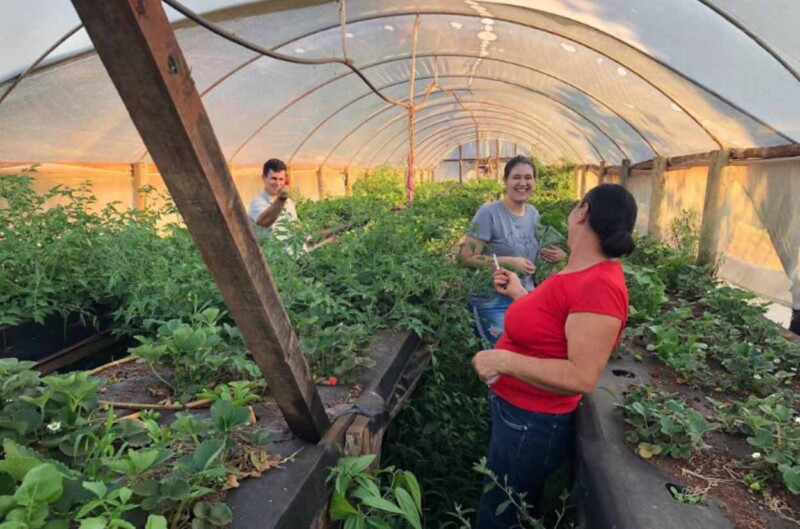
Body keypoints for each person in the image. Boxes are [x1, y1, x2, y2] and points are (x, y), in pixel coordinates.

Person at [471, 184, 638, 529]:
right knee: (507, 505)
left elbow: (581, 376)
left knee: (500, 517)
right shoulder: (581, 270)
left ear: (583, 212)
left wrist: (502, 361)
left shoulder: (600, 287)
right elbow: (553, 324)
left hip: (532, 421)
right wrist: (520, 293)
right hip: (518, 413)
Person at [459, 155, 566, 346]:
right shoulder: (489, 213)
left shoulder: (533, 213)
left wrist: (558, 255)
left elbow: (534, 253)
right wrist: (508, 262)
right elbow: (466, 258)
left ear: (535, 182)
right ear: (505, 181)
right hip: (491, 301)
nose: (522, 183)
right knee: (504, 353)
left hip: (525, 296)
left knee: (531, 350)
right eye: (516, 177)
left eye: (528, 177)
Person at [248, 158, 299, 241]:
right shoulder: (257, 203)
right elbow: (265, 221)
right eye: (274, 178)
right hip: (272, 249)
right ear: (264, 178)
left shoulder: (289, 202)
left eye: (281, 179)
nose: (278, 183)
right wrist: (281, 199)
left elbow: (295, 228)